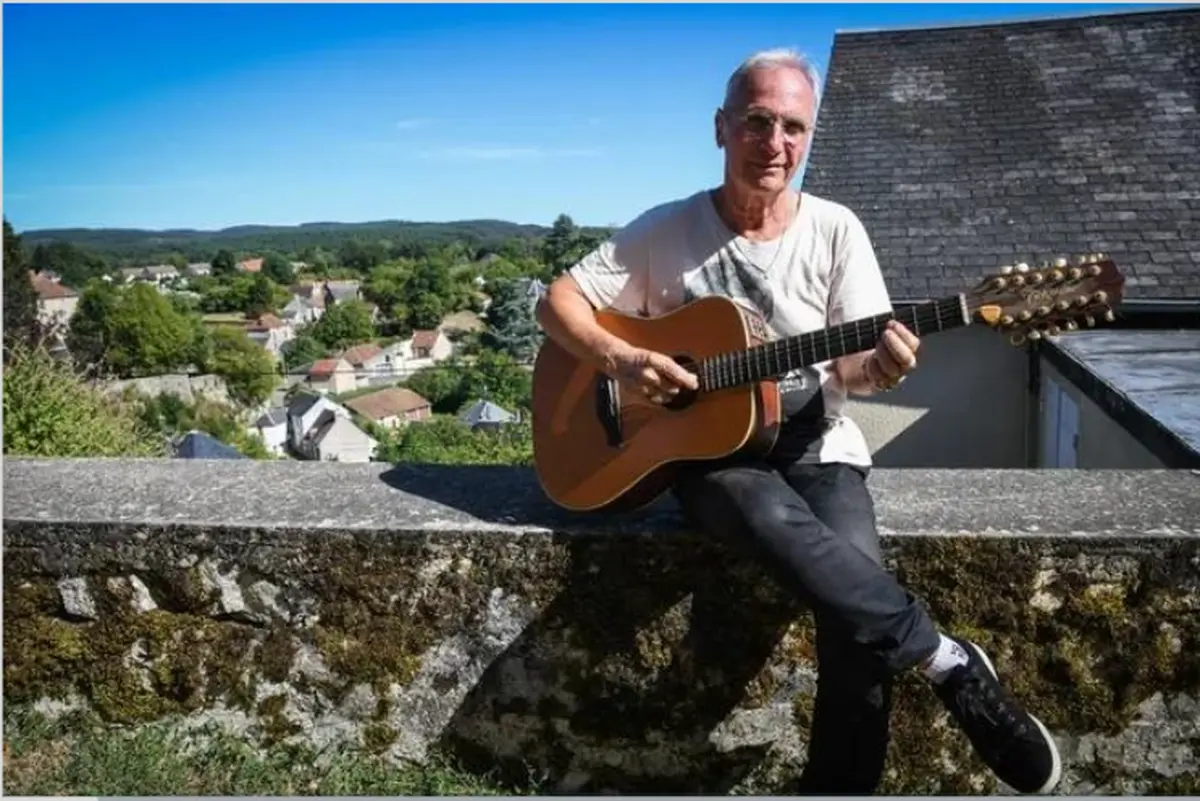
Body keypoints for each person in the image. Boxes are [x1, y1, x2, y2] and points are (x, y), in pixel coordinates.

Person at [534, 48, 1063, 795]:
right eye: (757, 121)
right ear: (722, 128)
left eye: (793, 126)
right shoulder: (665, 230)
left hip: (819, 446)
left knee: (856, 613)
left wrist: (877, 367)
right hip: (714, 459)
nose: (775, 142)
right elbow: (555, 301)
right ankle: (946, 657)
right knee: (762, 510)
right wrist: (621, 359)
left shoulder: (835, 229)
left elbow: (850, 370)